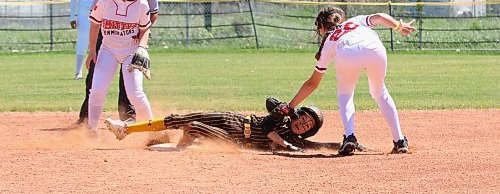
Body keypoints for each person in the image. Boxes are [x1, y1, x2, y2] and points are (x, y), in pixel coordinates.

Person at [286, 7, 416, 155]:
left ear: (322, 27)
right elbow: (379, 17)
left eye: (319, 28)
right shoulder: (355, 21)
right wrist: (398, 27)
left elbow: (312, 83)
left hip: (347, 54)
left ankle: (349, 137)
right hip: (375, 50)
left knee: (345, 94)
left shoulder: (329, 41)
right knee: (379, 92)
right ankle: (400, 141)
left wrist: (290, 106)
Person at [105, 97, 367, 152]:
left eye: (308, 125)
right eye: (304, 117)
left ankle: (184, 142)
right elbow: (269, 103)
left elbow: (321, 145)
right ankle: (126, 130)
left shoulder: (297, 141)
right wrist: (282, 110)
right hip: (234, 119)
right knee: (178, 119)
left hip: (236, 139)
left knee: (193, 126)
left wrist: (349, 142)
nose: (303, 124)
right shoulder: (284, 118)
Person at [76, 0, 159, 124]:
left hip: (131, 50)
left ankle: (152, 130)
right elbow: (94, 25)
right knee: (97, 90)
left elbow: (145, 29)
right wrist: (92, 51)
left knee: (135, 93)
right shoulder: (106, 0)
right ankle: (91, 131)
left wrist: (142, 48)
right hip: (108, 50)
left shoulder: (142, 3)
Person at [69, 0, 109, 80]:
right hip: (84, 14)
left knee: (100, 42)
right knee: (83, 41)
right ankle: (78, 71)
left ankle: (99, 70)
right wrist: (72, 17)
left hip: (99, 14)